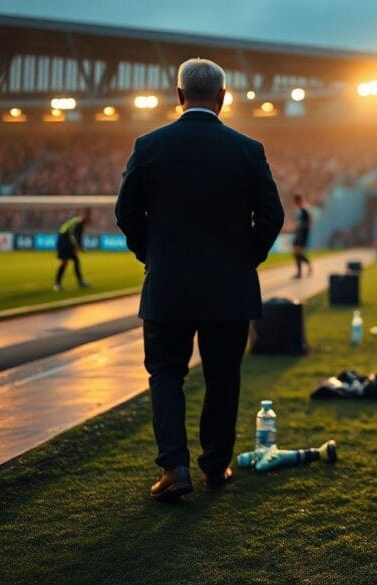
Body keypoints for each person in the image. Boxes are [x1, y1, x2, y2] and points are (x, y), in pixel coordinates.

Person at [115, 58, 284, 501]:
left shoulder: (149, 145)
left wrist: (148, 253)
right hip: (230, 287)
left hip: (168, 283)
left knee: (166, 374)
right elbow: (271, 216)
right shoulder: (248, 149)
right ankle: (215, 466)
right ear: (223, 98)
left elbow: (125, 212)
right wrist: (247, 258)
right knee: (223, 376)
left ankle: (174, 468)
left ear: (179, 96)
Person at [54, 208, 91, 291]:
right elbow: (72, 235)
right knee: (64, 262)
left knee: (76, 260)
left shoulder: (80, 224)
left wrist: (80, 247)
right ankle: (57, 284)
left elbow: (78, 237)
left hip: (67, 241)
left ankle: (80, 281)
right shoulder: (77, 223)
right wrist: (75, 247)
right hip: (63, 240)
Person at [291, 194, 313, 278]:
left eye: (296, 201)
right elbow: (298, 222)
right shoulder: (298, 210)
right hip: (298, 233)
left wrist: (304, 230)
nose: (295, 203)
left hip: (303, 233)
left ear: (299, 200)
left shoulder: (305, 209)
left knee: (298, 251)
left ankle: (300, 272)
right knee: (296, 252)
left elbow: (310, 221)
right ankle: (304, 268)